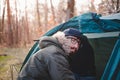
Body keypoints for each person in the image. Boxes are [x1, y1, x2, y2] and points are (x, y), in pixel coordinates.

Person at [17, 28, 83, 80]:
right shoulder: (55, 54)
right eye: (74, 41)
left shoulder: (53, 50)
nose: (76, 47)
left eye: (78, 44)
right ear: (64, 39)